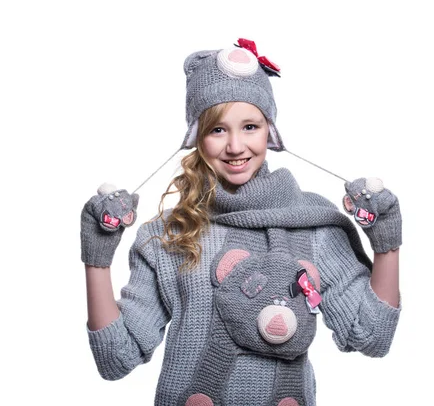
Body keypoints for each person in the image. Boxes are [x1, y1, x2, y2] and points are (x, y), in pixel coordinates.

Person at [81, 38, 403, 406]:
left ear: (271, 130)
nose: (235, 146)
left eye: (250, 126)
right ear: (196, 137)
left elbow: (372, 337)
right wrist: (97, 259)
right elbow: (115, 358)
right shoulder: (169, 234)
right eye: (218, 130)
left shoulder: (313, 227)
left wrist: (386, 245)